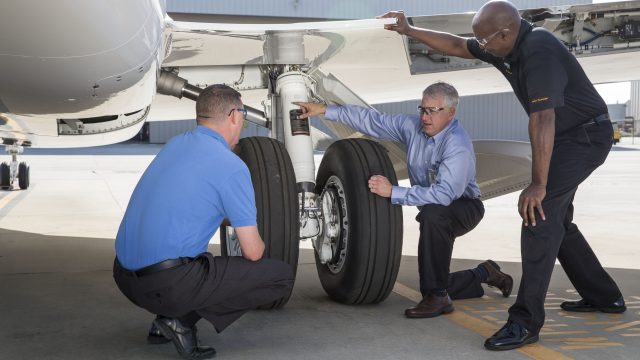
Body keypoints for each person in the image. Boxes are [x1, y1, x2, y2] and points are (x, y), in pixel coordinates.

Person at [380, 0, 625, 351]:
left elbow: (543, 120)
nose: (482, 47)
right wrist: (409, 30)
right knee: (557, 218)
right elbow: (458, 45)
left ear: (506, 32)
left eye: (487, 41)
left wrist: (538, 184)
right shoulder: (502, 44)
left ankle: (524, 322)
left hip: (584, 136)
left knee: (538, 217)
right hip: (566, 136)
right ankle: (603, 296)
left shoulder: (539, 50)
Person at [296, 81, 513, 319]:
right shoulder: (412, 126)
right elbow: (372, 121)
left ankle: (438, 297)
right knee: (434, 270)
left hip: (464, 206)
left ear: (451, 113)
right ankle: (483, 274)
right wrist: (325, 110)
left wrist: (394, 192)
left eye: (433, 111)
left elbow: (444, 195)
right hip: (435, 207)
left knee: (433, 217)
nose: (425, 117)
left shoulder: (457, 146)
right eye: (423, 109)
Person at [113, 84, 295, 360]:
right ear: (235, 115)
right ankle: (180, 322)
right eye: (243, 114)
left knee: (194, 258)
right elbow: (253, 252)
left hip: (125, 278)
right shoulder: (231, 166)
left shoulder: (175, 145)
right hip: (167, 286)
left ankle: (163, 323)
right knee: (279, 276)